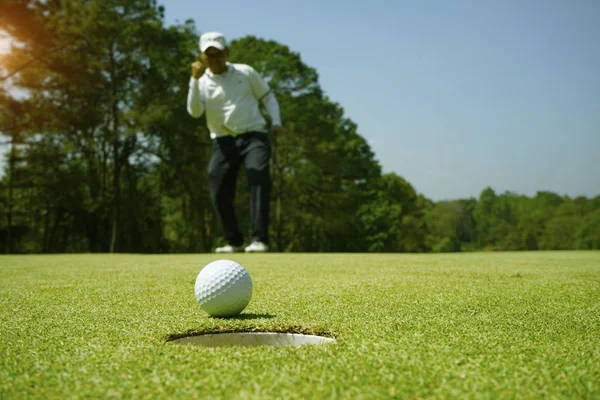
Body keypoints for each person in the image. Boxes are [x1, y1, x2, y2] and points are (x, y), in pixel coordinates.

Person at [187, 32, 284, 253]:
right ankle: (234, 241)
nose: (214, 59)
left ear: (226, 53)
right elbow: (194, 112)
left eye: (218, 54)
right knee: (218, 186)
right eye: (209, 55)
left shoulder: (246, 72)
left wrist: (276, 121)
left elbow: (267, 96)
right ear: (202, 57)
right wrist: (193, 80)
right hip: (222, 140)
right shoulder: (200, 83)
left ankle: (259, 239)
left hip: (253, 135)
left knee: (257, 174)